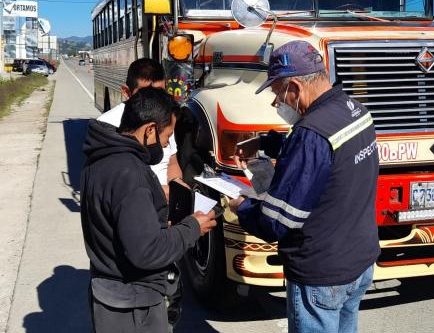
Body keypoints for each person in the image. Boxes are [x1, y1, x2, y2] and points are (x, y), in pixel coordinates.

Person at [227, 41, 380, 333]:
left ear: (295, 88)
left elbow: (277, 221)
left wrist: (242, 207)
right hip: (358, 261)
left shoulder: (311, 133)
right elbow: (330, 159)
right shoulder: (355, 110)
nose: (277, 103)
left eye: (278, 94)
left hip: (321, 272)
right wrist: (266, 142)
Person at [81, 87, 218, 333]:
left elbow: (116, 226)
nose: (166, 145)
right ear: (150, 130)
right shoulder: (130, 174)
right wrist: (192, 228)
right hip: (134, 309)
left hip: (106, 298)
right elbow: (148, 252)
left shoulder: (99, 158)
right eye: (167, 137)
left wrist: (155, 223)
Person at [98, 58, 183, 198]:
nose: (155, 101)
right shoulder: (106, 125)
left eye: (160, 93)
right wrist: (158, 193)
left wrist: (179, 187)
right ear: (126, 92)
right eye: (145, 94)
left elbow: (172, 163)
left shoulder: (165, 117)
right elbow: (108, 184)